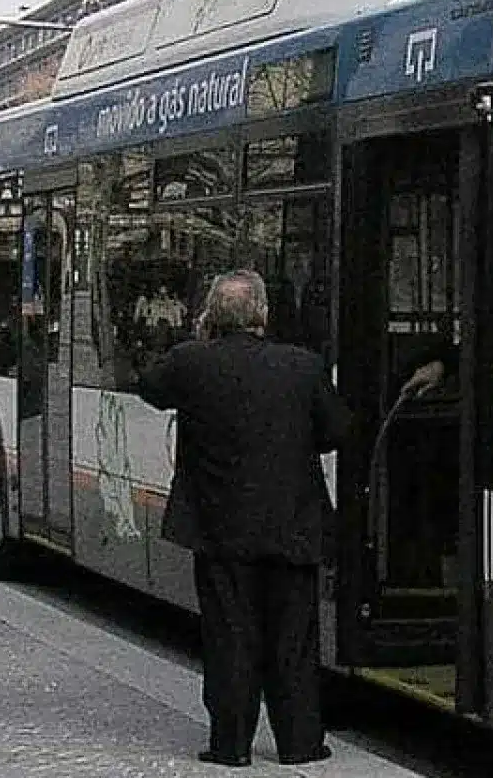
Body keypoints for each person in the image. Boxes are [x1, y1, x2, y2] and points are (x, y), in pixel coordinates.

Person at [136, 269, 349, 768]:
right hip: (293, 524)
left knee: (229, 635)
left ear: (211, 314)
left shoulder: (191, 362)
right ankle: (300, 742)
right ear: (264, 314)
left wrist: (197, 337)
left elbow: (148, 385)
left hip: (219, 528)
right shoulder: (302, 366)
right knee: (294, 639)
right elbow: (337, 429)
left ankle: (229, 745)